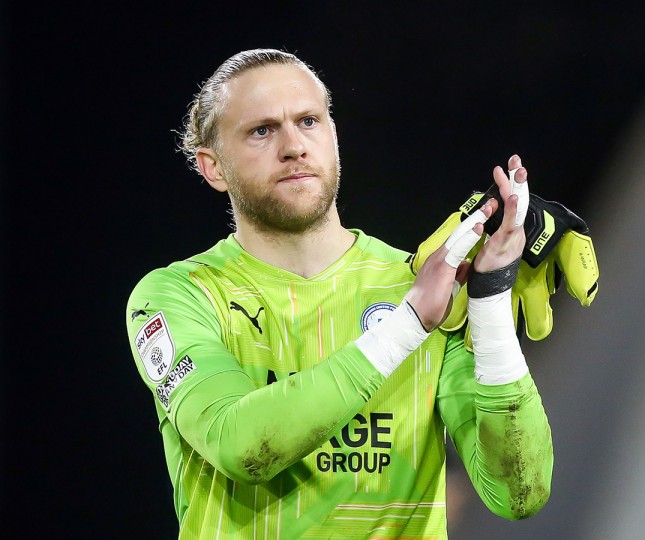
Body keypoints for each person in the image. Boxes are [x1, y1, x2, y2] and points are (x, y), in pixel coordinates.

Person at [125, 48, 553, 539]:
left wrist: (491, 296)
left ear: (332, 135)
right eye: (262, 131)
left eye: (308, 121)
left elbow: (520, 492)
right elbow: (239, 445)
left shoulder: (420, 284)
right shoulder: (179, 295)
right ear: (213, 167)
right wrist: (408, 325)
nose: (293, 146)